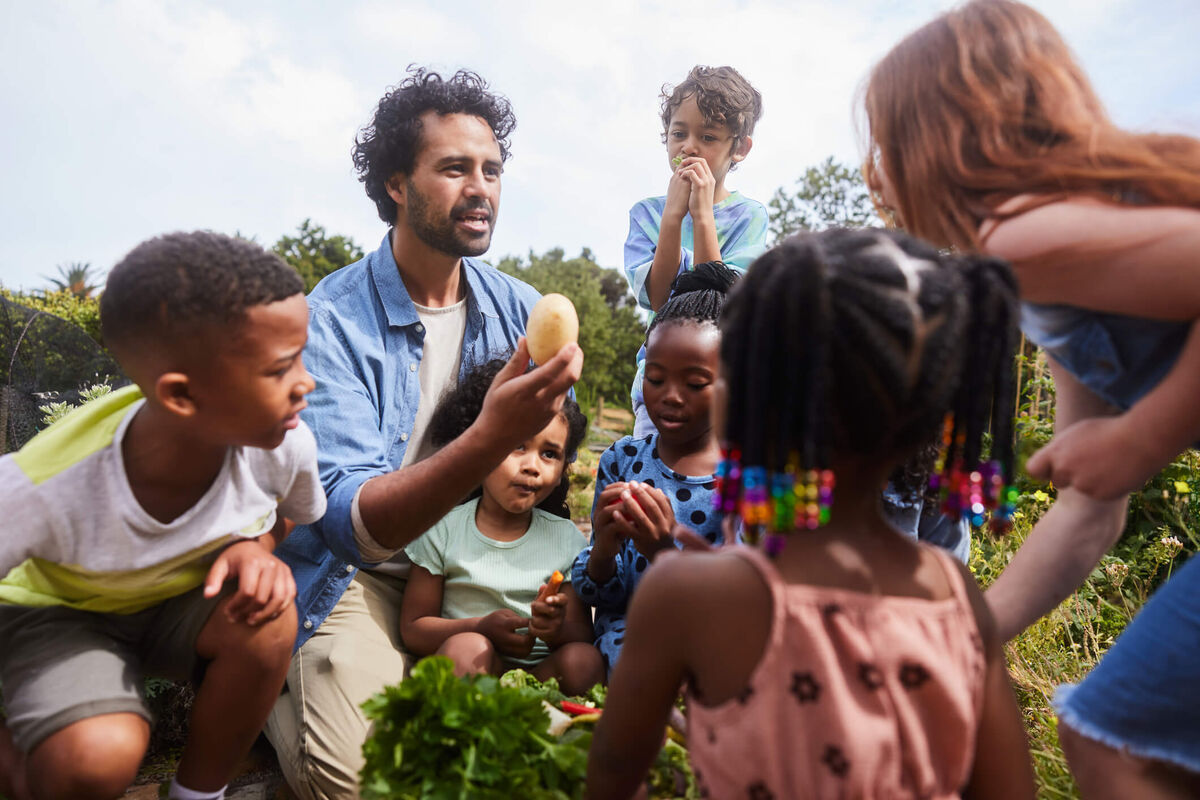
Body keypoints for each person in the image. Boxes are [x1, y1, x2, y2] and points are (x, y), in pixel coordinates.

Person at [862, 1, 1200, 794]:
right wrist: (963, 630)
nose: (878, 165)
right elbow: (1094, 507)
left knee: (1111, 739)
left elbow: (1118, 460)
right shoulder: (1037, 273)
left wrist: (1142, 438)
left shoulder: (1025, 240)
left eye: (888, 135)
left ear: (940, 136)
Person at [587, 229, 1035, 799]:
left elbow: (612, 778)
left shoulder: (683, 594)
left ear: (743, 398)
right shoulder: (956, 602)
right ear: (931, 420)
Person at [265, 67, 583, 799]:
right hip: (360, 581)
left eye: (492, 170)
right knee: (364, 781)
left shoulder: (522, 312)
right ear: (397, 185)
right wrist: (487, 435)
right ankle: (277, 689)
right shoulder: (333, 320)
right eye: (454, 168)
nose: (481, 188)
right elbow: (351, 528)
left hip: (475, 571)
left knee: (552, 746)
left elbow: (547, 466)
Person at [0, 231, 325, 800]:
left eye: (301, 356)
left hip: (174, 604)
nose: (307, 383)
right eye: (280, 369)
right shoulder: (46, 488)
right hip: (58, 613)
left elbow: (284, 517)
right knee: (98, 758)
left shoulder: (282, 442)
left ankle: (197, 794)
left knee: (270, 615)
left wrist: (259, 548)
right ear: (181, 396)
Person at [400, 359, 603, 694]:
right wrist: (480, 627)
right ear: (480, 444)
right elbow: (414, 628)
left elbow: (581, 636)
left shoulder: (567, 540)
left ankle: (553, 734)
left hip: (540, 679)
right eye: (517, 445)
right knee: (466, 648)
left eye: (549, 454)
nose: (532, 466)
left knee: (585, 661)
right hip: (472, 674)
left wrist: (554, 629)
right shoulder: (443, 530)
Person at [572, 261, 736, 673]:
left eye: (695, 384)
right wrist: (605, 550)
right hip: (630, 644)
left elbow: (747, 600)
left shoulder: (749, 476)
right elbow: (603, 596)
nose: (670, 397)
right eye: (656, 378)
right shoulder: (623, 461)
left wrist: (665, 554)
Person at [625, 65, 768, 437]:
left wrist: (702, 214)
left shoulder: (749, 217)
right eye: (678, 133)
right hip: (657, 390)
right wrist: (672, 218)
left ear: (739, 148)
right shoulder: (647, 214)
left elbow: (721, 307)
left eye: (707, 136)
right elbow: (658, 299)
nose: (689, 146)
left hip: (720, 391)